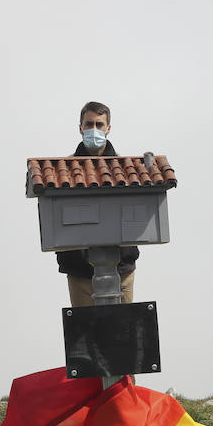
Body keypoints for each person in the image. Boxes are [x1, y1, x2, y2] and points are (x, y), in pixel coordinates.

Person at [55, 101, 141, 306]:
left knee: (126, 330)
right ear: (80, 128)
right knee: (85, 333)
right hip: (80, 271)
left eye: (99, 125)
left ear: (108, 129)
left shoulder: (125, 170)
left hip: (122, 269)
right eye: (89, 124)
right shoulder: (62, 171)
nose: (94, 129)